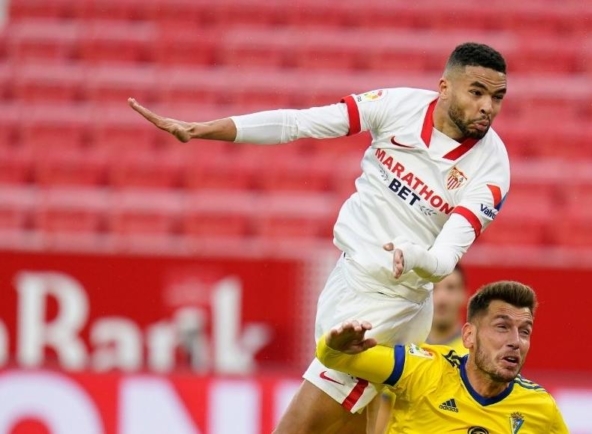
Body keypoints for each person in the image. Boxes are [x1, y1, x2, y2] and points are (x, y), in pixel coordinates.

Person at [128, 42, 510, 434]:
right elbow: (297, 124)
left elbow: (445, 260)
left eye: (497, 97)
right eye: (476, 92)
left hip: (388, 308)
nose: (487, 107)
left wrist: (413, 255)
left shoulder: (492, 170)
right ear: (444, 87)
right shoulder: (399, 106)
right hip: (347, 279)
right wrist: (202, 129)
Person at [317, 281, 569, 433]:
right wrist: (332, 345)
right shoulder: (421, 369)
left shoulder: (540, 407)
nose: (516, 341)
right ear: (469, 336)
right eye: (502, 327)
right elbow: (335, 358)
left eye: (525, 331)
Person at [374, 264, 468, 433]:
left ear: (464, 294)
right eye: (434, 288)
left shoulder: (474, 356)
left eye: (451, 288)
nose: (442, 299)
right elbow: (383, 409)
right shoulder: (401, 348)